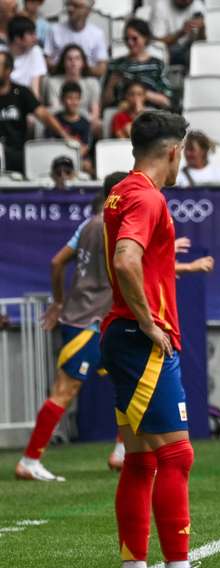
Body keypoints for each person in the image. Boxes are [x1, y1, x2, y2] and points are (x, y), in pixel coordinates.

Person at [100, 110, 220, 568]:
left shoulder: (121, 192)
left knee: (141, 461)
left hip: (122, 333)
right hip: (141, 339)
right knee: (177, 455)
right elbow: (126, 258)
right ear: (174, 151)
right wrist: (150, 322)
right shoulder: (146, 196)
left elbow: (139, 260)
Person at [15, 172, 126, 482]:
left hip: (91, 318)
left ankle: (122, 452)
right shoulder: (115, 227)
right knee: (64, 390)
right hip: (88, 322)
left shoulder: (88, 223)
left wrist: (59, 302)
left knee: (127, 379)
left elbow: (56, 262)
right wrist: (185, 266)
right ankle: (29, 460)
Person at [0, 50, 75, 174]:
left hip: (16, 152)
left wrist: (64, 135)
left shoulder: (21, 93)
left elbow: (44, 115)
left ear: (8, 70)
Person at [103, 18, 172, 110]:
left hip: (150, 113)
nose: (130, 43)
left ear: (145, 38)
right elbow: (105, 102)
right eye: (127, 39)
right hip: (121, 114)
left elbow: (166, 101)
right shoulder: (116, 65)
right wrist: (111, 85)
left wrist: (139, 94)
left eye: (134, 39)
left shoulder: (158, 65)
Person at [43, 44, 101, 135]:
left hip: (85, 122)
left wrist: (80, 118)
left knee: (98, 125)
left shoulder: (93, 83)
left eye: (77, 58)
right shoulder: (52, 82)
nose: (73, 62)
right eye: (69, 59)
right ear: (63, 62)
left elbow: (95, 114)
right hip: (60, 122)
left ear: (83, 62)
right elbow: (55, 109)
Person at [43, 0, 109, 77]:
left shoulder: (97, 34)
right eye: (69, 5)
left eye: (76, 6)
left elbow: (101, 68)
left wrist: (79, 70)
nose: (70, 9)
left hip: (86, 79)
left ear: (88, 11)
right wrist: (66, 69)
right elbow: (46, 61)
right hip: (59, 79)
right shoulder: (54, 30)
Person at [48, 81, 92, 174]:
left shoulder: (85, 123)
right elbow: (49, 144)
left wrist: (71, 159)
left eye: (76, 98)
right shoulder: (54, 121)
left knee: (88, 166)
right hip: (57, 158)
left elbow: (85, 147)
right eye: (69, 98)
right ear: (62, 100)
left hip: (78, 158)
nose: (73, 102)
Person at [150, 0, 205, 67]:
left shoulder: (198, 5)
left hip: (189, 49)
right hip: (168, 49)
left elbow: (202, 42)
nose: (187, 1)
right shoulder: (161, 5)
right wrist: (181, 32)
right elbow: (158, 41)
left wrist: (202, 28)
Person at [8, 15, 46, 97]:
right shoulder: (2, 53)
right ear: (17, 38)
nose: (35, 38)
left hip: (26, 101)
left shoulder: (36, 51)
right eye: (31, 34)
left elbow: (35, 87)